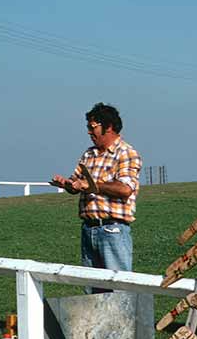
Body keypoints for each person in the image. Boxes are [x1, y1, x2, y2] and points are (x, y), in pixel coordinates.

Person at [50, 103, 141, 293]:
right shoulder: (89, 154)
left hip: (112, 230)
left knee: (119, 290)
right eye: (88, 128)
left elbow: (125, 189)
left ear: (108, 127)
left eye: (93, 127)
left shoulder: (126, 153)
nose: (89, 132)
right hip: (89, 229)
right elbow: (77, 183)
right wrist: (67, 185)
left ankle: (122, 323)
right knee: (92, 292)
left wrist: (92, 186)